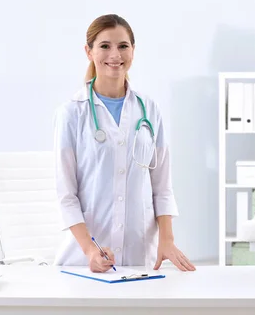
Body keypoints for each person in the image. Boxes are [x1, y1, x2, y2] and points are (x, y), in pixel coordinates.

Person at [52, 14, 196, 273]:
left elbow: (161, 187)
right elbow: (66, 196)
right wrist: (90, 250)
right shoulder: (72, 113)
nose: (114, 54)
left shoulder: (149, 110)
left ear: (133, 50)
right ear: (89, 52)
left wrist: (167, 240)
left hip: (141, 254)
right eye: (104, 46)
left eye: (123, 46)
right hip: (85, 261)